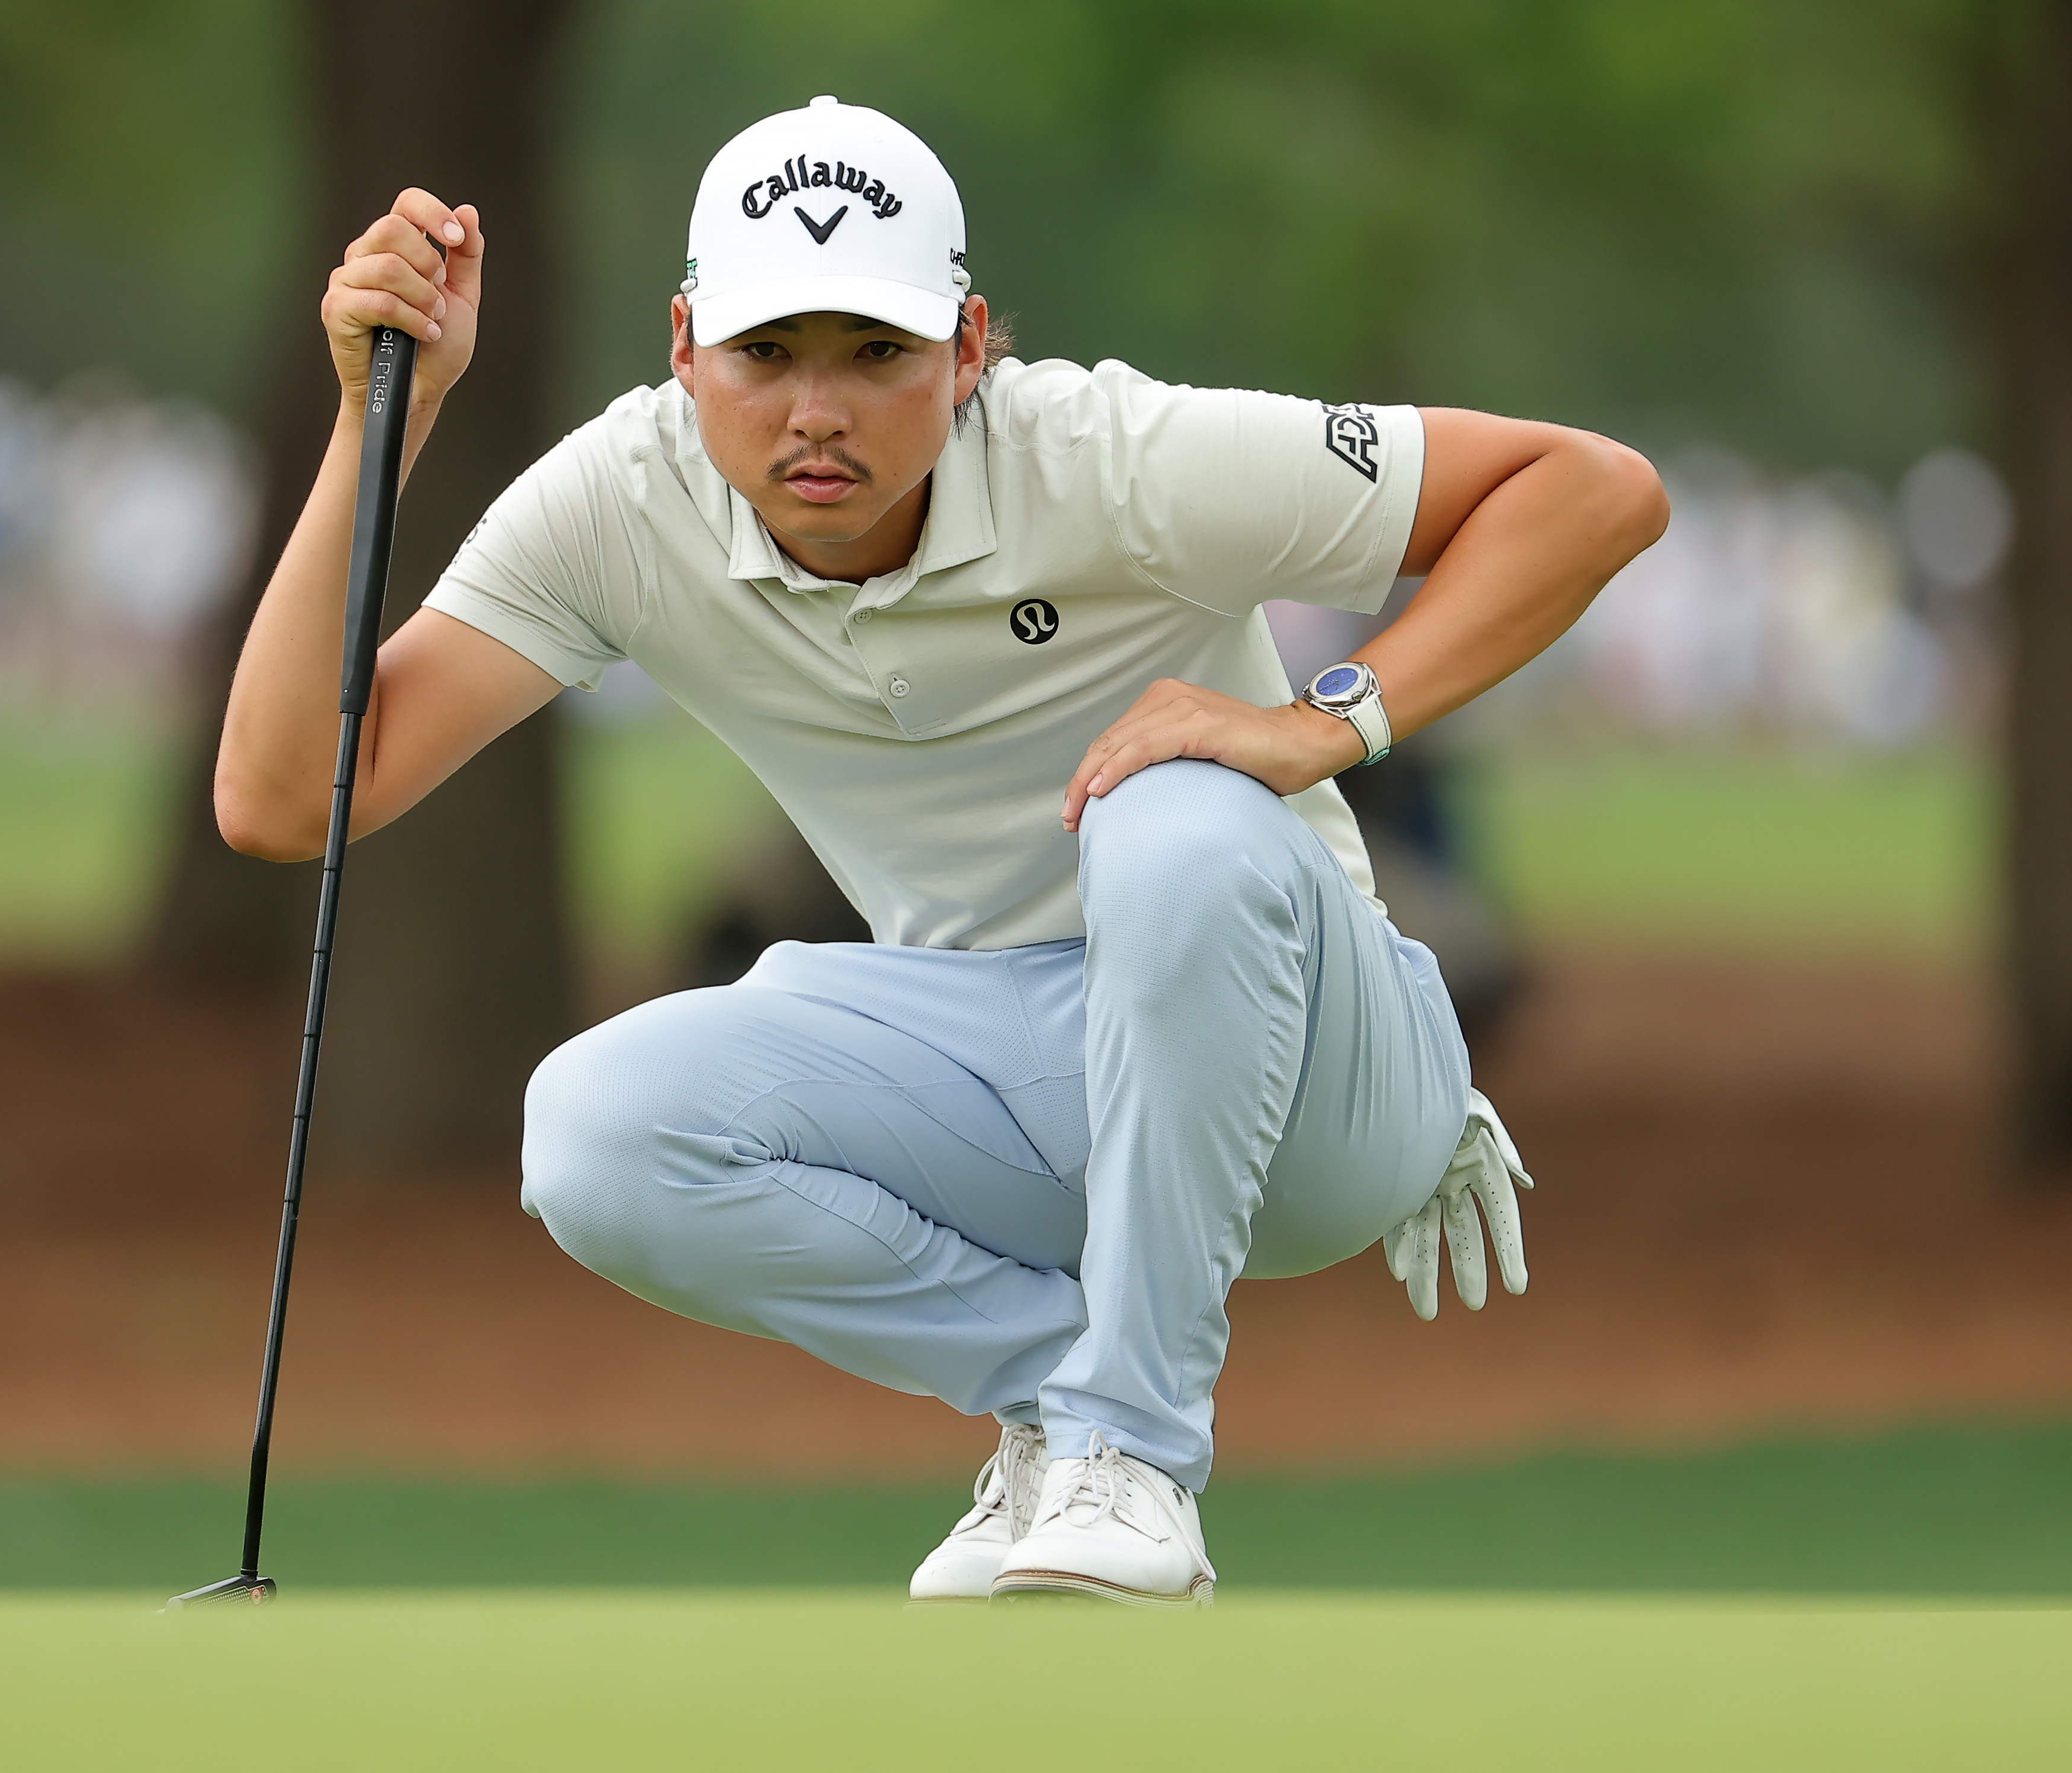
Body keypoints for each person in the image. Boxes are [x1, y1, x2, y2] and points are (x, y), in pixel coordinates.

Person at [215, 98, 1666, 1606]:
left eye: (878, 354)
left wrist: (1322, 723)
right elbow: (287, 794)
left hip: (1316, 1082)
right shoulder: (622, 501)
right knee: (596, 1127)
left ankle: (1134, 1450)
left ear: (970, 349)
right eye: (767, 355)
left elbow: (1593, 490)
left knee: (1164, 810)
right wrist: (382, 416)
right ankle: (1063, 1404)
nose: (816, 413)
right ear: (685, 343)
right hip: (1026, 1080)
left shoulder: (1109, 457)